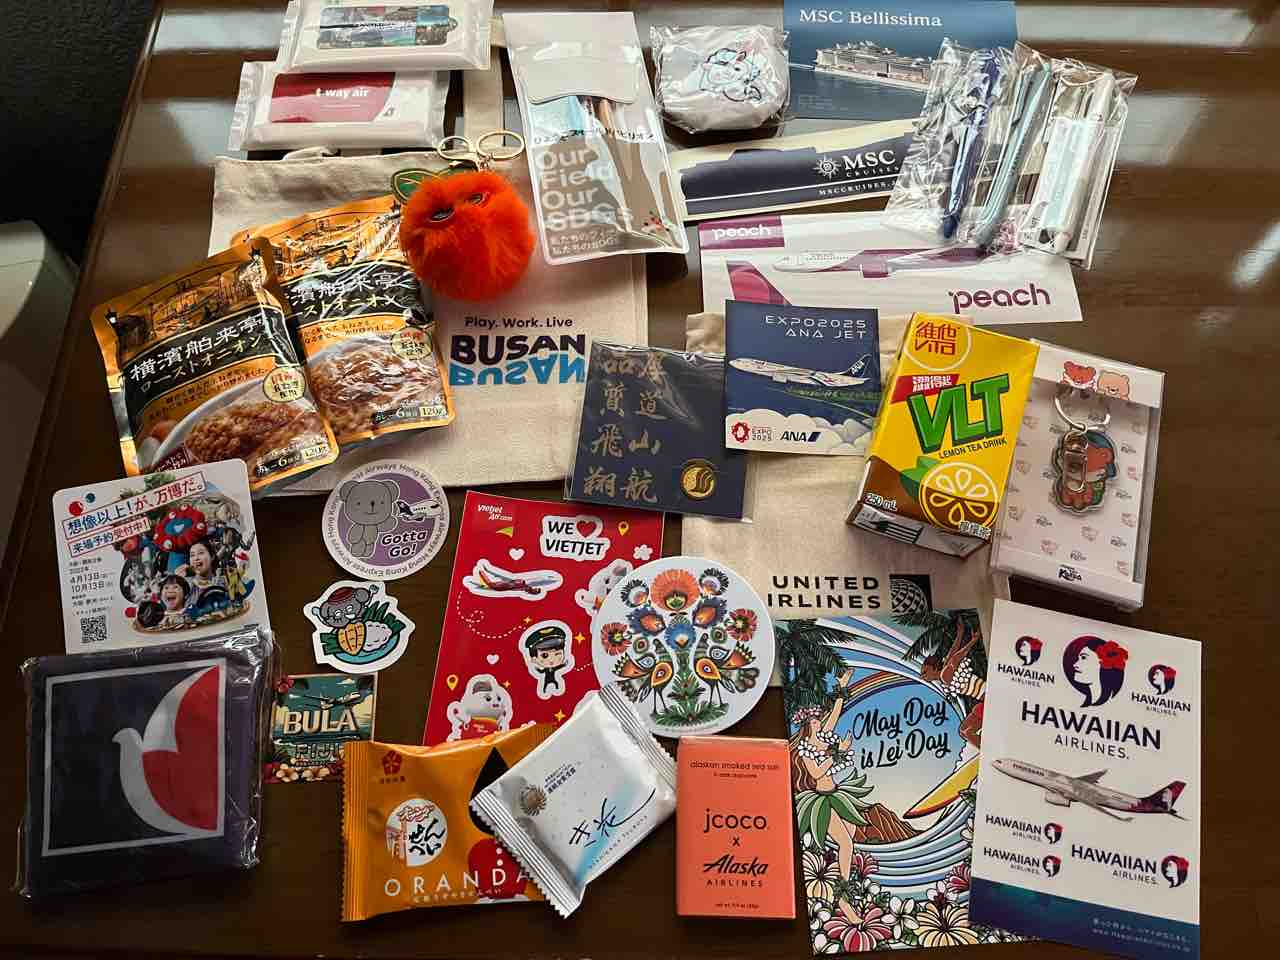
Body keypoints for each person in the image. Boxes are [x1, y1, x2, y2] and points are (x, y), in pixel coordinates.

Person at [789, 669, 873, 886]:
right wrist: (837, 753)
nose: (818, 723)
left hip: (837, 794)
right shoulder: (805, 749)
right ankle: (843, 894)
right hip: (821, 801)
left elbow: (836, 712)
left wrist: (842, 685)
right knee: (846, 844)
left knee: (849, 838)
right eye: (814, 721)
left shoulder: (824, 737)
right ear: (806, 726)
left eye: (818, 720)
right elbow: (816, 773)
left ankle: (839, 880)